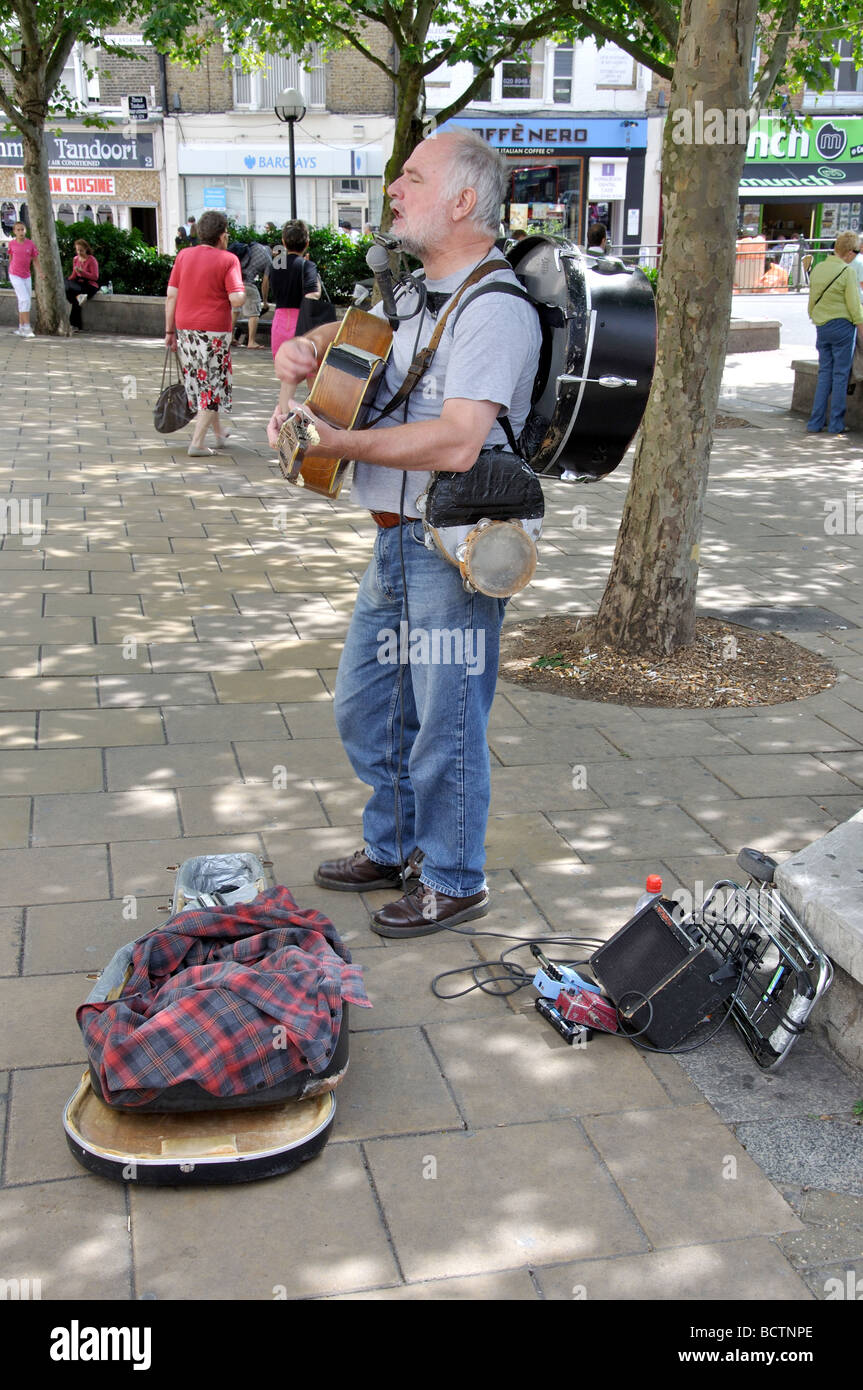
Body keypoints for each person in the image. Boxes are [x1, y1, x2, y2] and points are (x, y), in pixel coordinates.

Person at [267, 129, 541, 939]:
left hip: (452, 550)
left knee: (446, 722)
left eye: (412, 178)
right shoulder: (413, 289)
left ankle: (453, 877)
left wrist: (334, 445)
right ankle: (392, 848)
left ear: (462, 200)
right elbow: (351, 343)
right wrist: (306, 348)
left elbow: (459, 442)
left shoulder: (495, 309)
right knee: (367, 709)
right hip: (393, 536)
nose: (394, 189)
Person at [165, 209, 246, 457]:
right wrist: (243, 292)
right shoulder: (228, 260)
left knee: (202, 381)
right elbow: (236, 299)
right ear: (223, 235)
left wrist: (169, 331)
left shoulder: (183, 256)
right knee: (214, 384)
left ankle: (218, 433)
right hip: (214, 332)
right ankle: (197, 442)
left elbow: (171, 296)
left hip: (186, 329)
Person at [806, 231, 863, 436]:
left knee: (824, 373)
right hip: (843, 327)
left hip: (822, 326)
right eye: (856, 251)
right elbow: (854, 305)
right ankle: (836, 424)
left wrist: (815, 316)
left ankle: (815, 421)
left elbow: (812, 299)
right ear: (848, 252)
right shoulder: (847, 273)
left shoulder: (819, 268)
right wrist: (860, 326)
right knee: (840, 375)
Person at [267, 220, 320, 359]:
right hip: (302, 322)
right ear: (307, 243)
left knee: (286, 374)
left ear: (283, 242)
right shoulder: (308, 266)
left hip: (280, 320)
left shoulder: (277, 265)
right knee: (310, 372)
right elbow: (313, 294)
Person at [229, 240, 273, 350]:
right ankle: (251, 341)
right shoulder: (269, 260)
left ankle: (229, 337)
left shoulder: (254, 245)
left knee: (235, 309)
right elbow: (265, 283)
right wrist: (265, 301)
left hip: (235, 282)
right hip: (247, 284)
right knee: (254, 312)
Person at [8, 221, 38, 337]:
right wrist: (12, 270)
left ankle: (21, 327)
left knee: (25, 301)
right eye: (18, 230)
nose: (21, 232)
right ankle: (27, 327)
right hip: (15, 274)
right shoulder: (12, 244)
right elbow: (11, 258)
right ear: (14, 232)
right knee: (24, 299)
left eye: (22, 229)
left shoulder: (30, 244)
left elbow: (35, 259)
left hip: (26, 275)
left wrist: (40, 273)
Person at [64, 238, 100, 331]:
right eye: (77, 250)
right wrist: (68, 280)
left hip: (89, 285)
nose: (79, 252)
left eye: (81, 250)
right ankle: (75, 325)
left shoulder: (91, 260)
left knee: (76, 301)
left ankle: (74, 325)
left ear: (86, 249)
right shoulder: (75, 259)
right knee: (65, 284)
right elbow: (73, 275)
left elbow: (95, 277)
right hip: (78, 283)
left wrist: (83, 272)